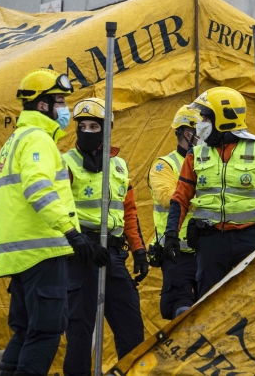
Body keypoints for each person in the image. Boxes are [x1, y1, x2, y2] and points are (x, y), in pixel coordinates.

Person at [0, 68, 97, 376]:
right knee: (47, 332)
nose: (65, 109)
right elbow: (38, 188)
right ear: (42, 105)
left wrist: (18, 228)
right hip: (44, 253)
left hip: (19, 257)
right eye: (59, 101)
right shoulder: (38, 140)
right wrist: (71, 233)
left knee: (25, 331)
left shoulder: (13, 142)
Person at [163, 87, 255, 298]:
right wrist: (171, 233)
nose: (201, 123)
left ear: (224, 119)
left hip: (251, 239)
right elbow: (179, 199)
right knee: (209, 304)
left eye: (206, 118)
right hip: (210, 242)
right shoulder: (195, 154)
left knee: (254, 301)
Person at [62, 98, 147, 373]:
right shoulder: (66, 163)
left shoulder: (119, 165)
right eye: (82, 126)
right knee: (79, 332)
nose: (87, 131)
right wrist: (79, 240)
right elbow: (58, 210)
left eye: (94, 126)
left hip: (112, 254)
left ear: (106, 129)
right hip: (80, 253)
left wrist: (139, 250)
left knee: (132, 329)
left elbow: (129, 210)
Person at [147, 105, 202, 319]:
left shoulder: (209, 161)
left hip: (206, 248)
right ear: (188, 133)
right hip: (177, 251)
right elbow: (167, 196)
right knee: (181, 309)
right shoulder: (165, 165)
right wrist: (205, 199)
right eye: (203, 131)